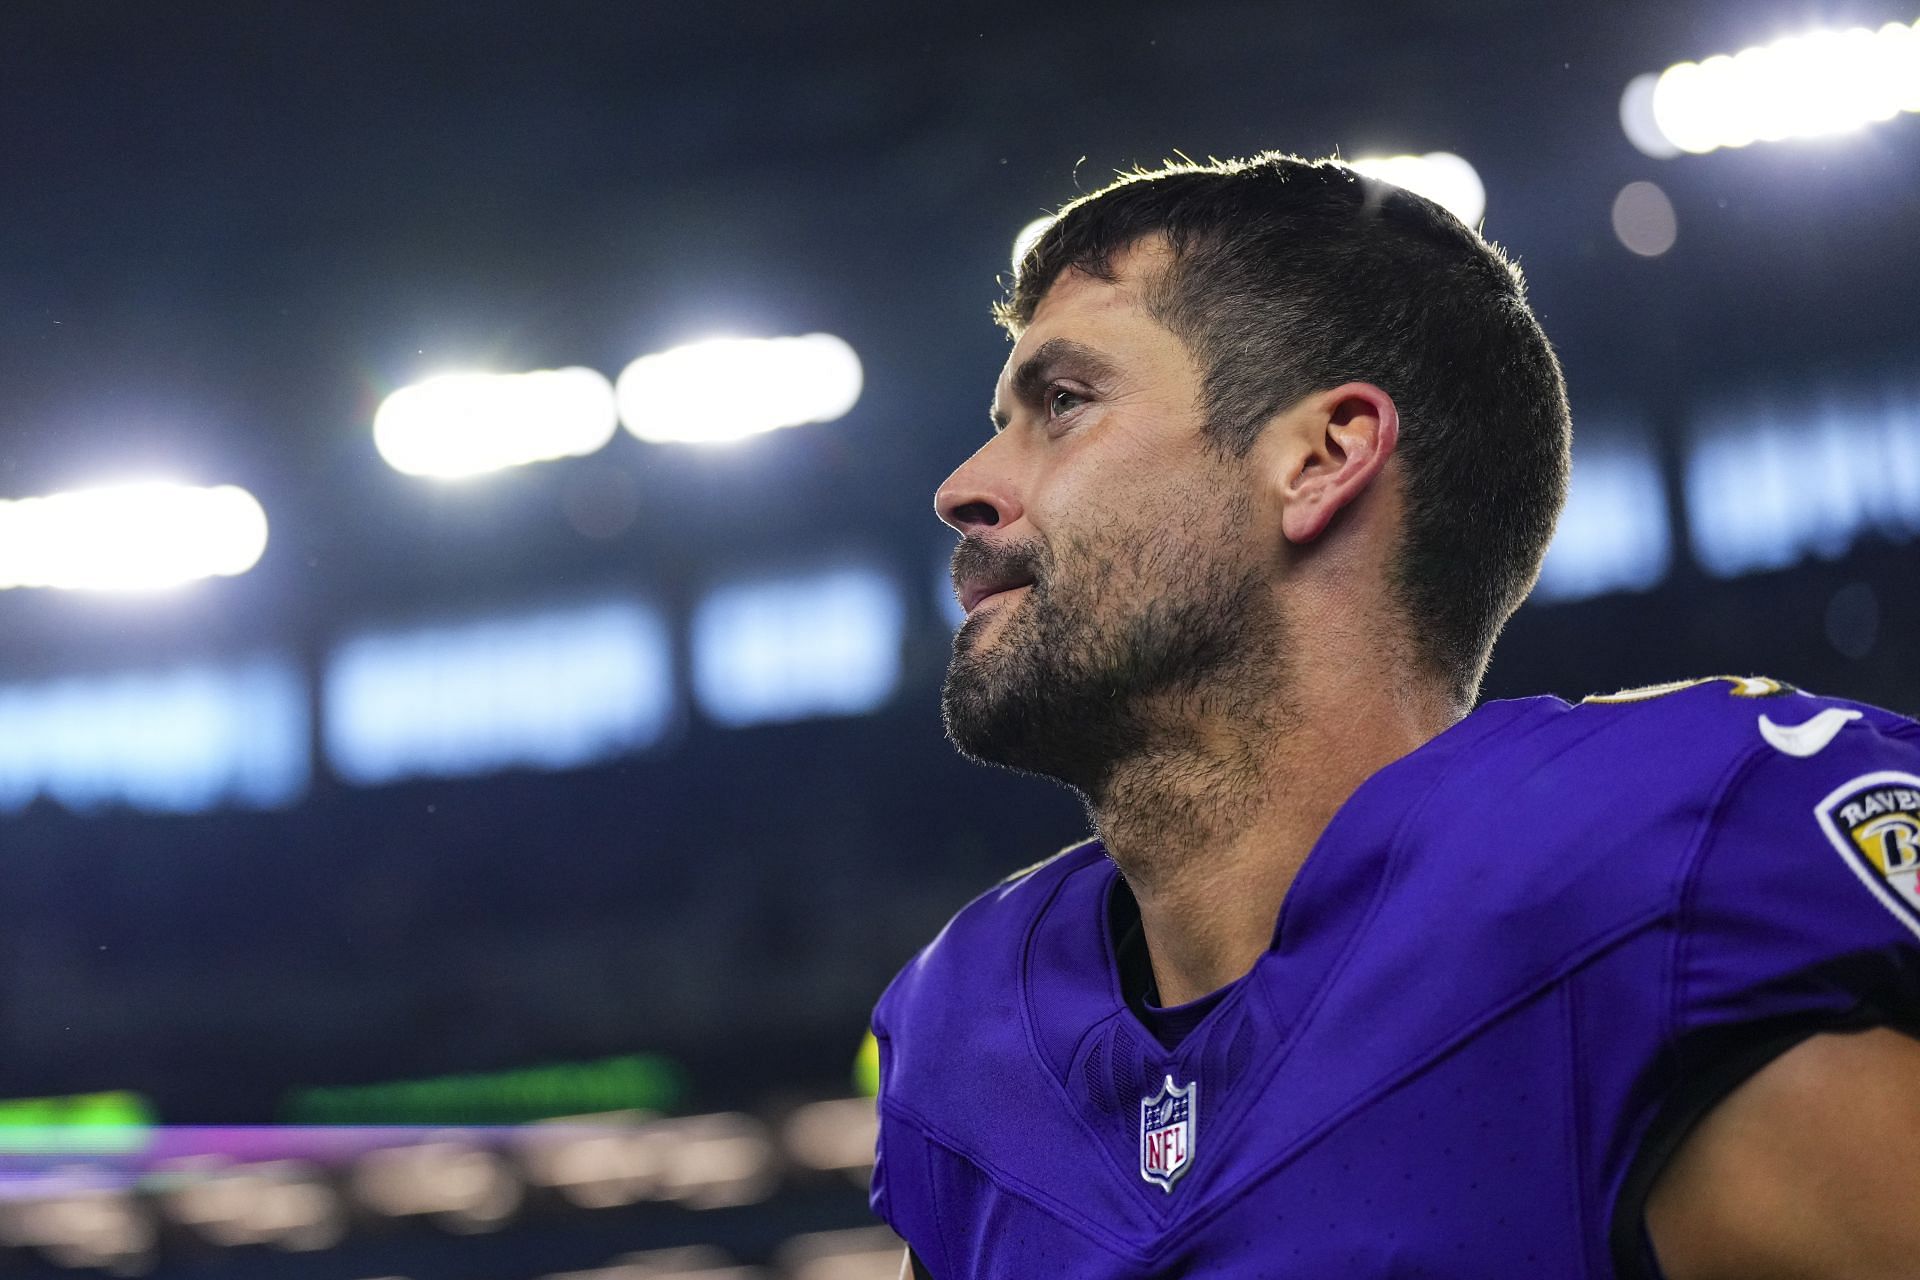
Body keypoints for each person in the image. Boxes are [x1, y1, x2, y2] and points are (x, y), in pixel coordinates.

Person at [867, 153, 1920, 1279]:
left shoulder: (1648, 890)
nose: (965, 483)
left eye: (1062, 404)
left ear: (1321, 457)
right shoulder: (969, 1041)